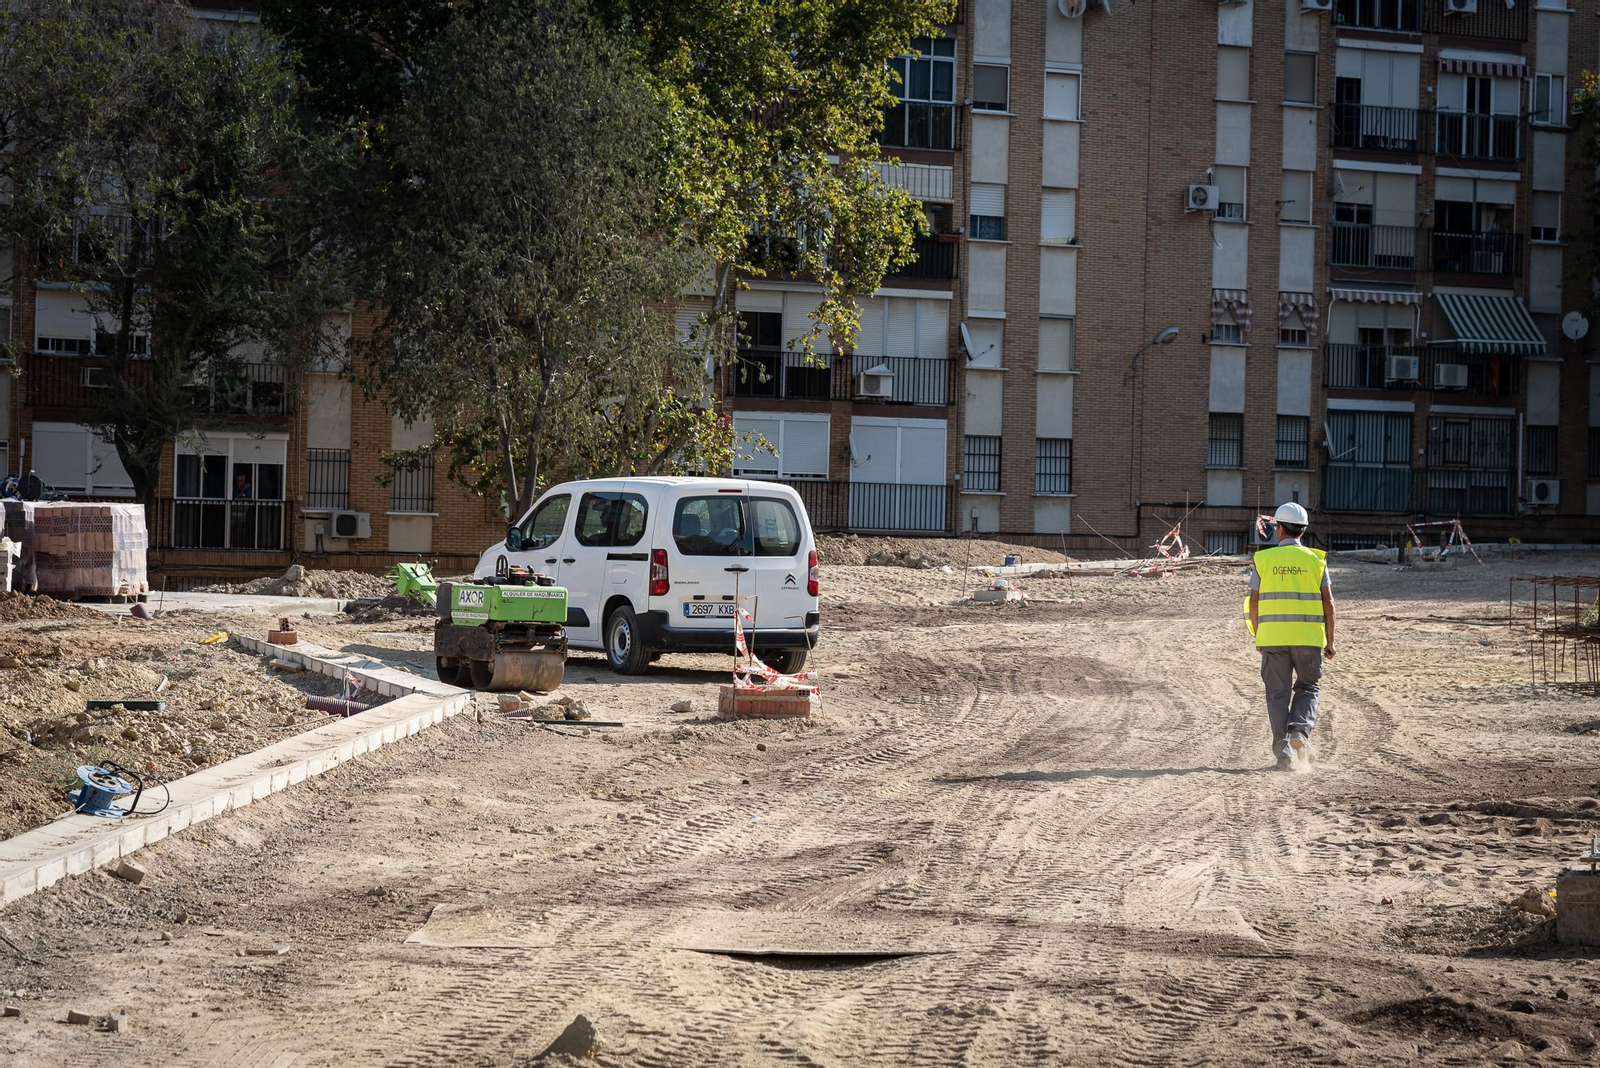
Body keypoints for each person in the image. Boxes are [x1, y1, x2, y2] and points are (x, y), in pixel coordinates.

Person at [1246, 502, 1336, 770]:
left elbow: (1253, 602)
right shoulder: (1316, 560)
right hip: (1308, 638)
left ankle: (1284, 757)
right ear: (1303, 531)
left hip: (1273, 637)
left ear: (1279, 528)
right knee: (1308, 687)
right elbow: (1328, 603)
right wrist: (1330, 642)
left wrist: (1260, 636)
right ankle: (1299, 729)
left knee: (1277, 694)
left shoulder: (1263, 560)